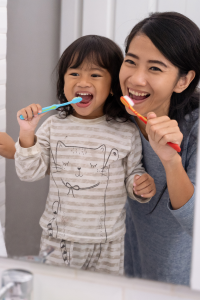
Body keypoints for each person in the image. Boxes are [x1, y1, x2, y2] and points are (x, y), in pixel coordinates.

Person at [15, 35, 156, 274]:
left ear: (113, 86)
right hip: (58, 238)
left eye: (95, 75)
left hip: (109, 241)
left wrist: (139, 184)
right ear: (63, 82)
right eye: (74, 73)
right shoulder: (53, 126)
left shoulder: (126, 131)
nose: (83, 81)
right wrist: (27, 133)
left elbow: (133, 173)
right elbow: (29, 173)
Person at [119, 12, 200, 285]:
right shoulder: (117, 114)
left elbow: (194, 224)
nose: (136, 79)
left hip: (180, 283)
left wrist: (170, 160)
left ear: (183, 80)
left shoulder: (195, 129)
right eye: (130, 61)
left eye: (155, 68)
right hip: (126, 272)